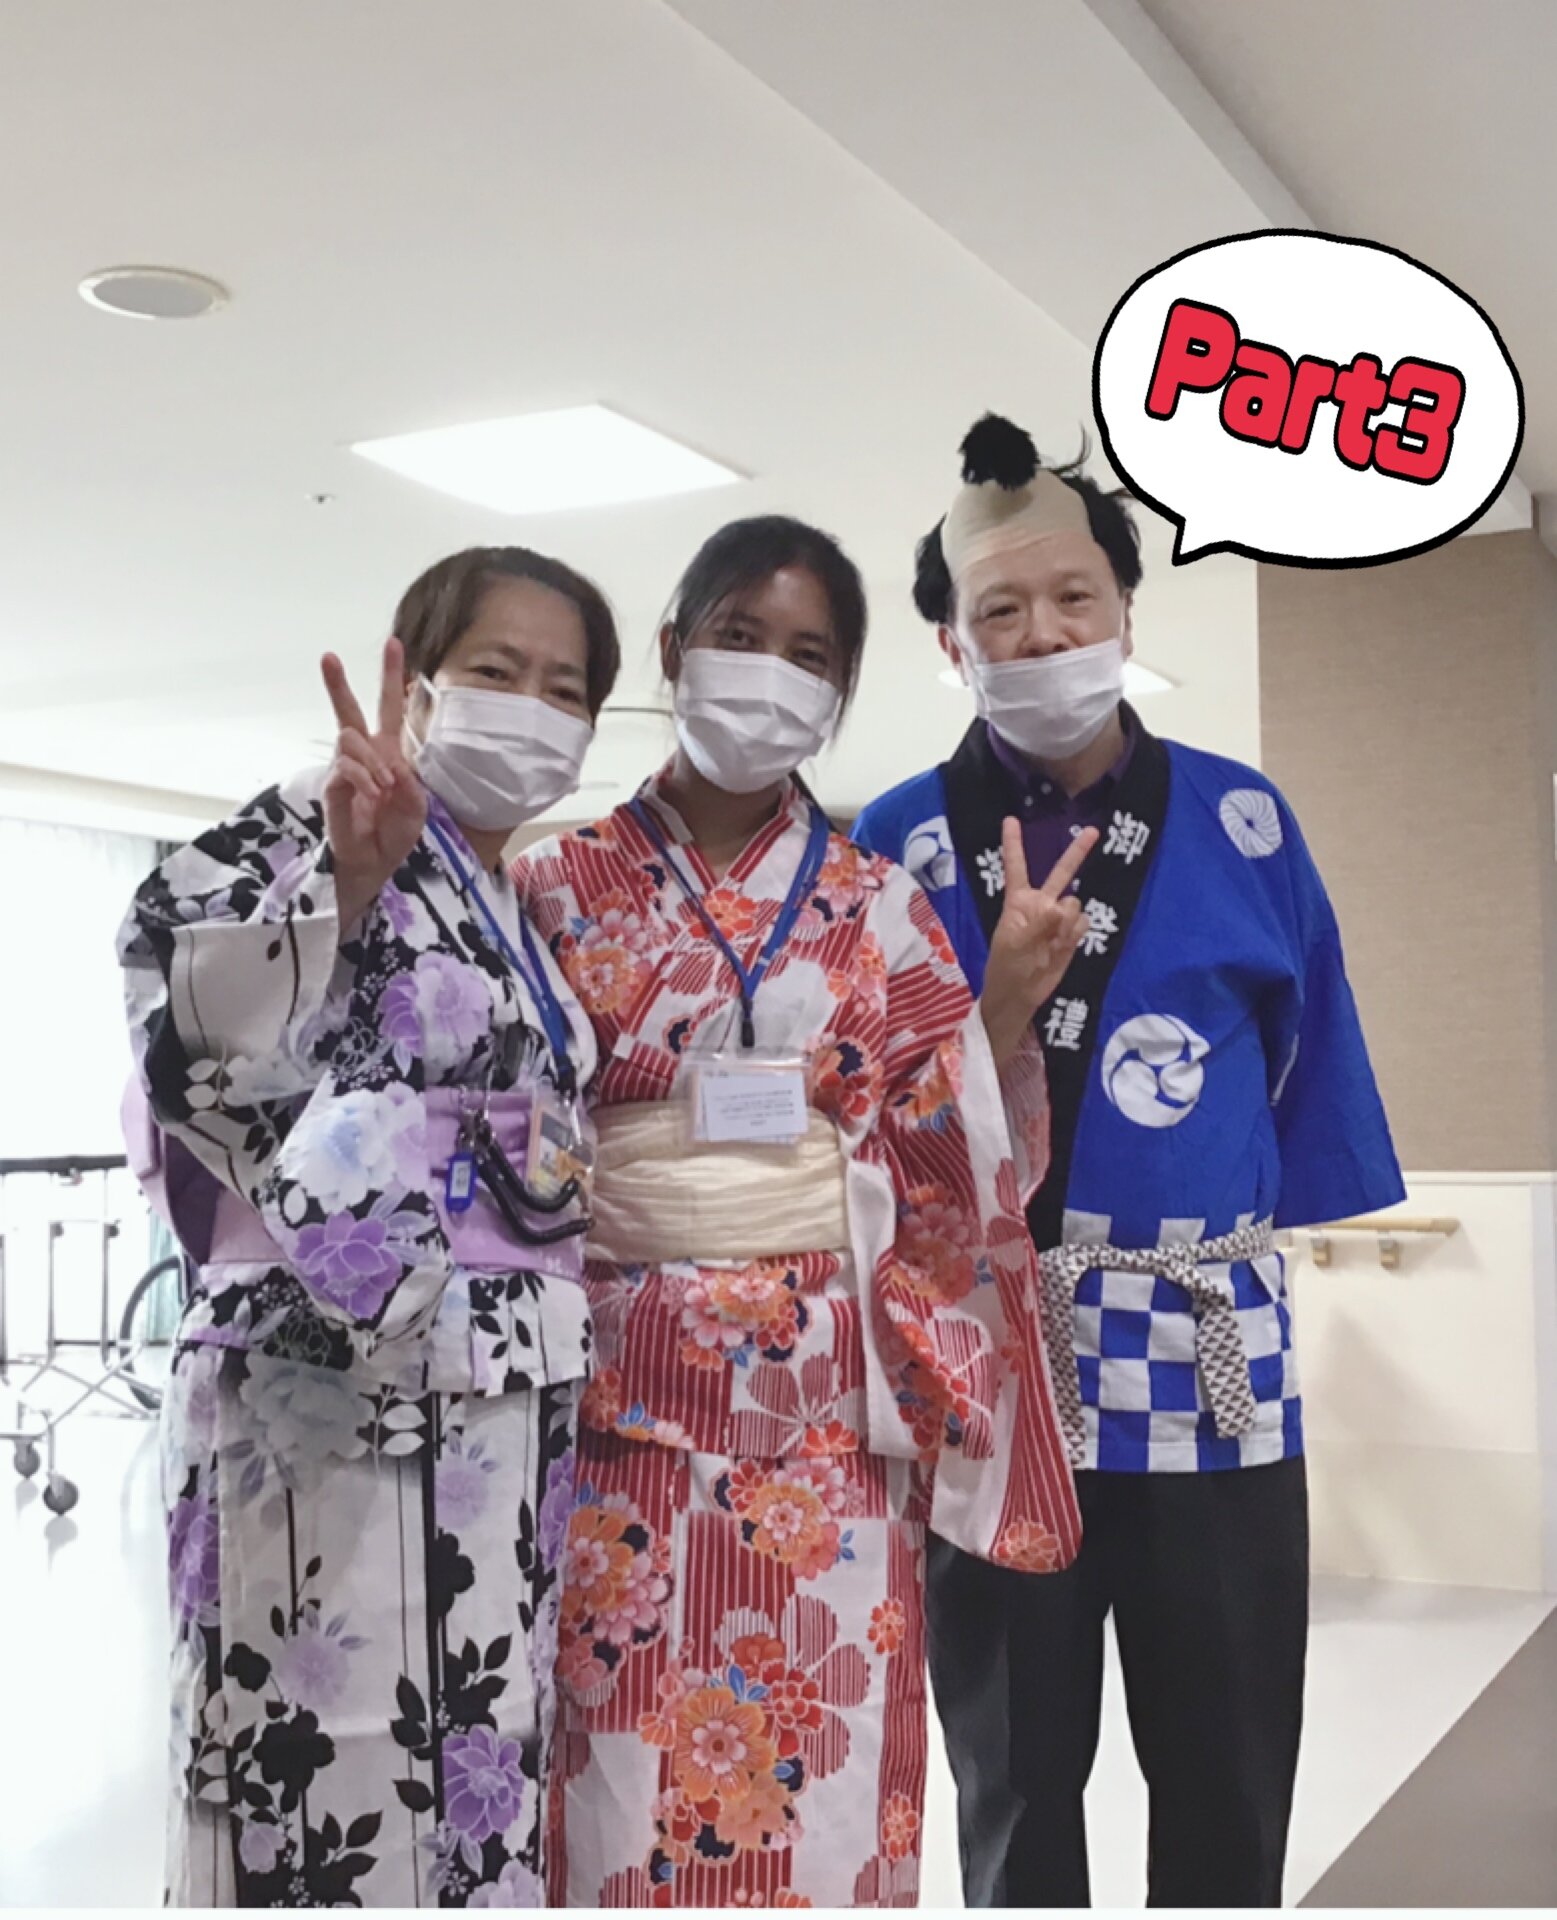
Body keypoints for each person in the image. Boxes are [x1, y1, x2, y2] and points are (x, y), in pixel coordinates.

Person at [851, 417, 1406, 1909]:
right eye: (1000, 611)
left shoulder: (1243, 818)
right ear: (952, 647)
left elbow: (1310, 1058)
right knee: (1015, 1769)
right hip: (988, 1358)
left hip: (1200, 1346)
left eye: (1072, 597)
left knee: (1227, 1753)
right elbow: (858, 1113)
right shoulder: (892, 840)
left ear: (1126, 611)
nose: (1042, 634)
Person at [514, 514, 1081, 1909]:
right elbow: (498, 1126)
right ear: (674, 650)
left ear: (839, 693)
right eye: (739, 637)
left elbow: (944, 1146)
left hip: (825, 1412)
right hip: (613, 1402)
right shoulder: (550, 886)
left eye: (809, 656)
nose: (770, 673)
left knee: (821, 1770)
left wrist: (1007, 1000)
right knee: (616, 1769)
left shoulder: (877, 905)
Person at [118, 546, 619, 1906]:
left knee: (474, 1739)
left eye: (565, 688)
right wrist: (341, 882)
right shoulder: (323, 815)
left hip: (500, 1385)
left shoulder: (507, 894)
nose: (532, 708)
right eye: (497, 670)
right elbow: (181, 1018)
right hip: (330, 1372)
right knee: (319, 1745)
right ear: (420, 681)